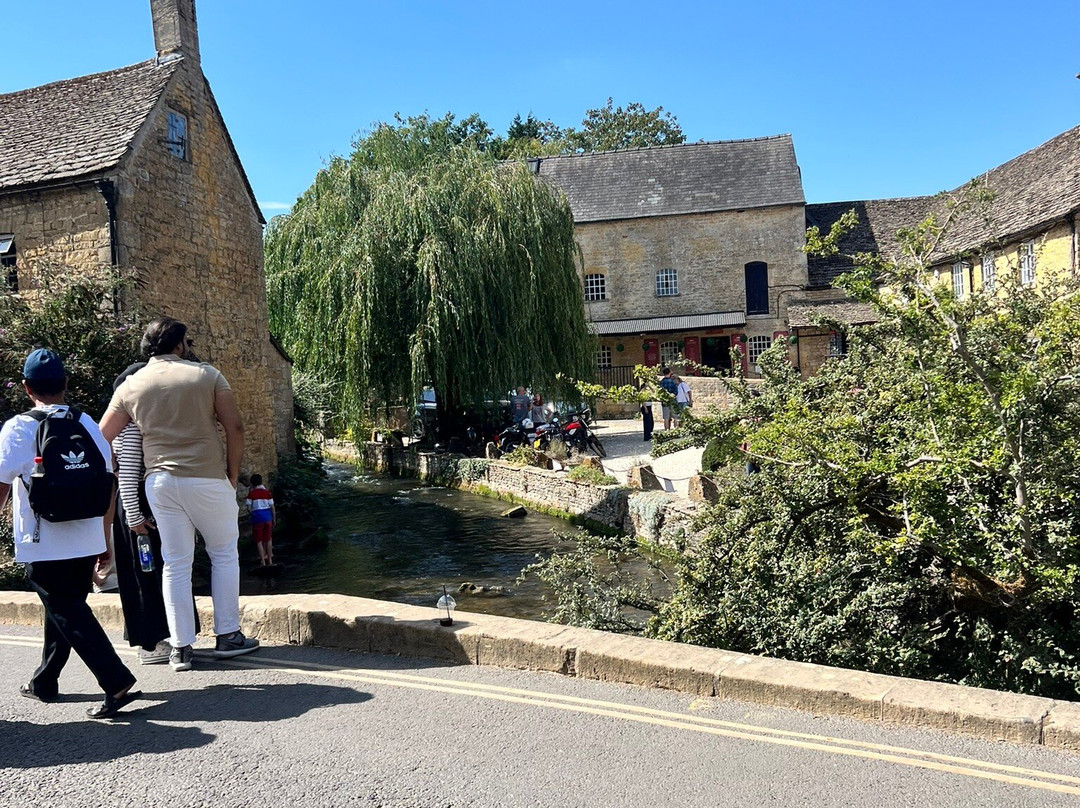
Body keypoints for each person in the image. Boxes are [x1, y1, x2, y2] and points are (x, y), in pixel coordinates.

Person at [100, 317, 258, 672]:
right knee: (223, 555)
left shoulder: (130, 385)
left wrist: (117, 475)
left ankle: (181, 648)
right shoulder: (207, 375)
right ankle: (228, 636)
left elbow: (102, 436)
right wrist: (232, 473)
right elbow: (235, 426)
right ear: (179, 344)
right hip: (206, 477)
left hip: (160, 483)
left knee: (175, 563)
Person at [0, 348, 140, 718]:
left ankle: (116, 681)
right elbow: (106, 481)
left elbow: (0, 486)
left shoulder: (19, 427)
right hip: (86, 535)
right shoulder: (87, 423)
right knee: (63, 608)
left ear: (27, 388)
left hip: (43, 540)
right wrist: (105, 538)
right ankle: (45, 682)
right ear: (65, 384)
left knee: (67, 610)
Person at [111, 361, 185, 666]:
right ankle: (152, 643)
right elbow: (127, 475)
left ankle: (160, 638)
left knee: (149, 571)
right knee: (146, 573)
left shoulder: (128, 422)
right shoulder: (129, 426)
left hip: (137, 506)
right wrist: (135, 518)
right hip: (136, 508)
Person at [245, 474, 276, 567]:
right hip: (268, 517)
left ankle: (262, 561)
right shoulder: (267, 493)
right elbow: (272, 507)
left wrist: (252, 512)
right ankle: (270, 560)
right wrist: (274, 518)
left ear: (252, 483)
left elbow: (248, 507)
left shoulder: (252, 494)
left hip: (257, 518)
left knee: (259, 540)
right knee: (268, 539)